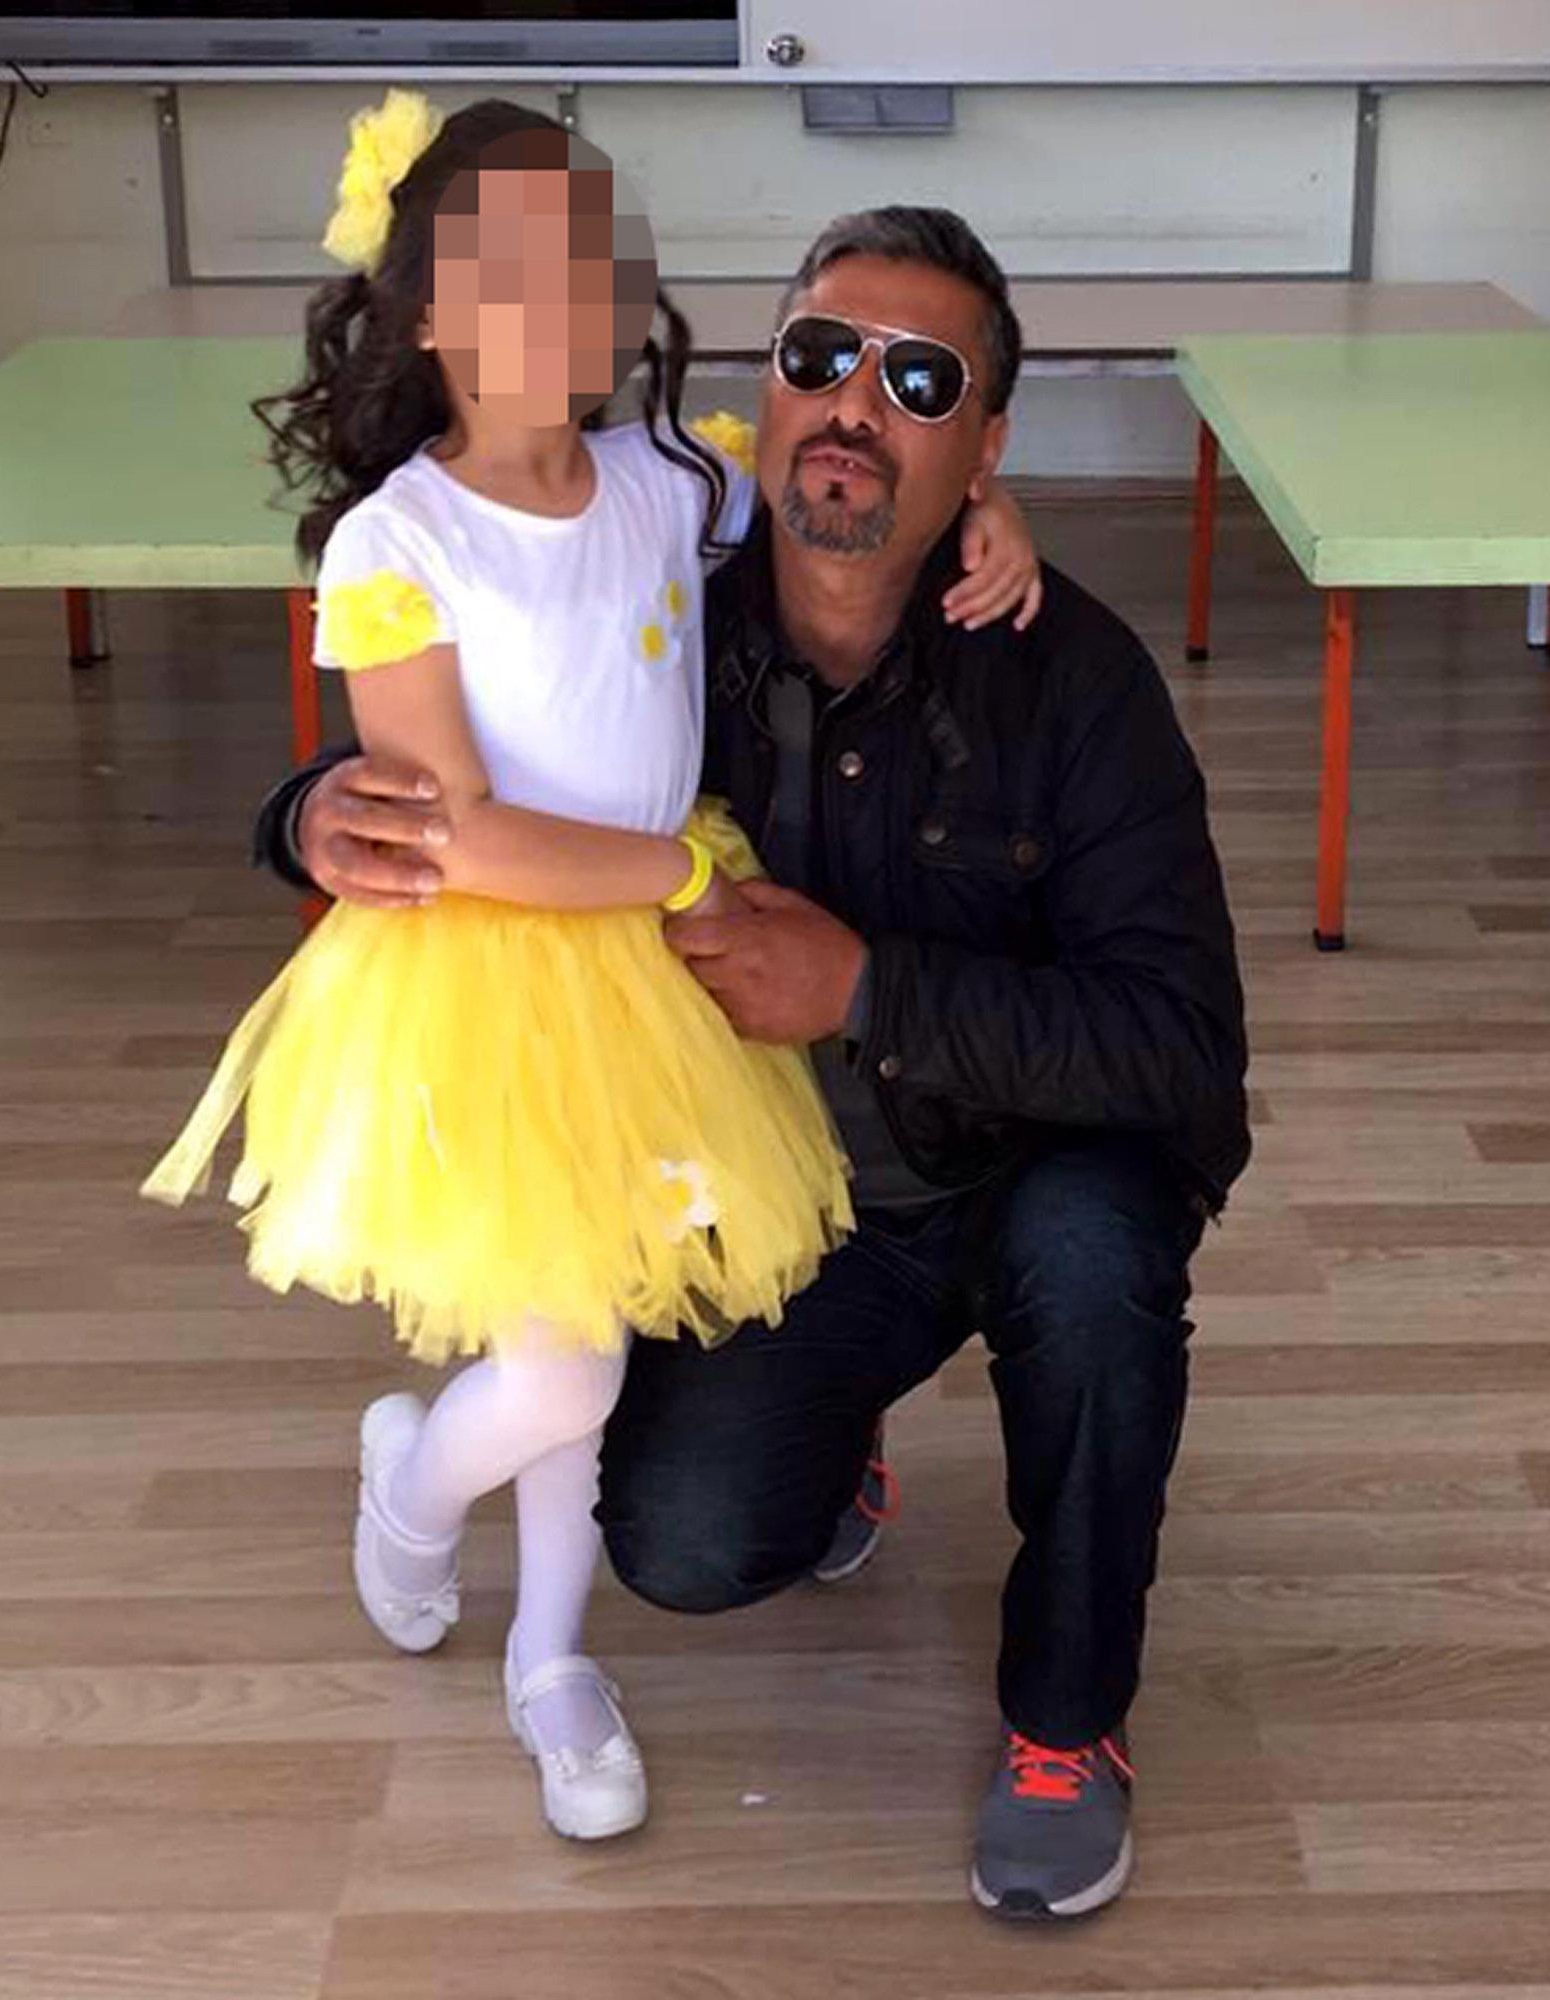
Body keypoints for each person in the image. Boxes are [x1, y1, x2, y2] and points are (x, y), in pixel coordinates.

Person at [265, 199, 1250, 1921]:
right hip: (792, 1194)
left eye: (921, 381)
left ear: (986, 448)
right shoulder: (661, 586)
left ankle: (1065, 1719)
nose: (855, 403)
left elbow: (1182, 1056)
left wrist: (865, 986)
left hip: (1035, 1163)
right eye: (819, 355)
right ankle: (836, 1426)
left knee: (1097, 1274)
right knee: (687, 1545)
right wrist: (304, 814)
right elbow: (480, 725)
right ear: (765, 387)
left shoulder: (1074, 675)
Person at [145, 98, 1043, 1845]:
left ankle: (549, 1660)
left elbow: (847, 494)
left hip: (645, 991)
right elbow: (457, 830)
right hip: (494, 987)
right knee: (562, 1369)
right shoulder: (396, 544)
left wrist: (989, 513)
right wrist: (682, 871)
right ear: (427, 313)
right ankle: (410, 1489)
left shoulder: (673, 480)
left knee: (593, 1324)